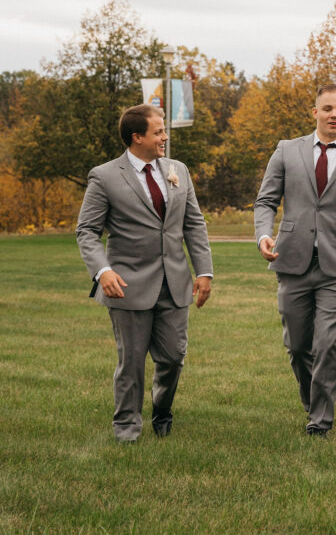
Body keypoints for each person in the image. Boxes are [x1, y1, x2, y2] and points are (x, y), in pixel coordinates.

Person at [75, 104, 213, 442]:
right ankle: (127, 428)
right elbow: (86, 232)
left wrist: (204, 271)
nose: (164, 137)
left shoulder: (177, 169)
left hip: (175, 283)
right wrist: (102, 271)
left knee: (173, 358)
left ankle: (162, 409)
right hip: (127, 286)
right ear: (137, 137)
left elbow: (194, 224)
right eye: (158, 132)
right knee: (132, 362)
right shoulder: (104, 176)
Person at [253, 85, 336, 437]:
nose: (334, 115)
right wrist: (264, 235)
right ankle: (313, 400)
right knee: (298, 347)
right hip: (292, 259)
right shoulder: (286, 150)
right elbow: (265, 201)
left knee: (328, 344)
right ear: (315, 113)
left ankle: (320, 421)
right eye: (327, 108)